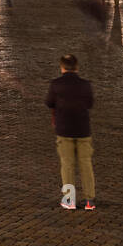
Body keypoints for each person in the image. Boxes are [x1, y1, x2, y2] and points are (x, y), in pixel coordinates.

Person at [45, 53, 95, 210]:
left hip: (64, 130)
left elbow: (49, 102)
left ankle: (69, 200)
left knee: (67, 165)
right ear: (77, 67)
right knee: (86, 164)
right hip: (83, 130)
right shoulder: (85, 84)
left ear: (62, 68)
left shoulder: (56, 84)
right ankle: (89, 200)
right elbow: (90, 103)